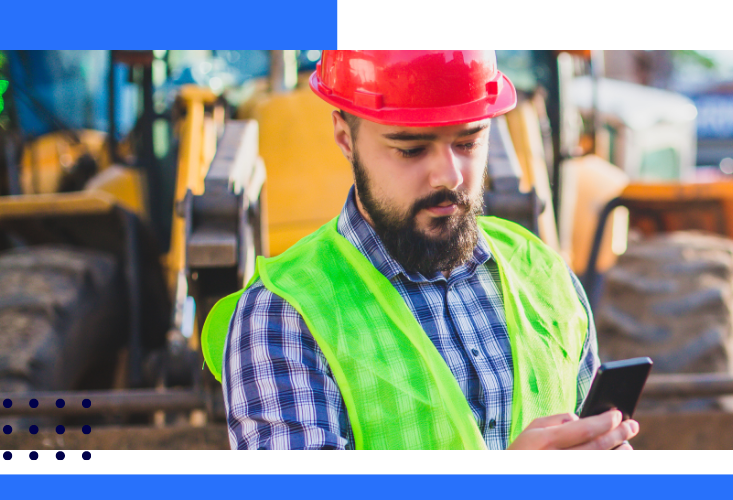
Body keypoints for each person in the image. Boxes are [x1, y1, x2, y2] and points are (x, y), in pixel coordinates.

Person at [201, 50, 640, 450]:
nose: (448, 176)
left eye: (468, 142)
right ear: (345, 136)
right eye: (411, 150)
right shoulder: (284, 314)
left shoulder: (542, 273)